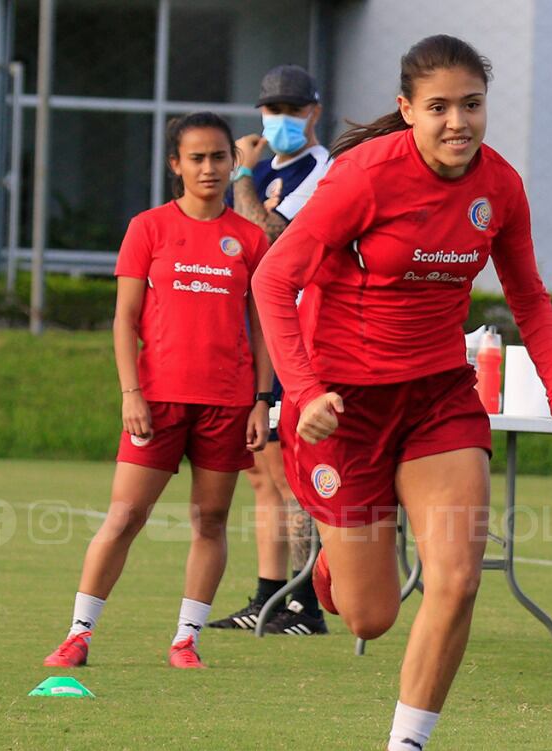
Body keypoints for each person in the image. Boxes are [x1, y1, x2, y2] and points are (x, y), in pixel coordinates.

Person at [252, 35, 552, 751]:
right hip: (343, 406)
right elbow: (274, 280)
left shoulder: (500, 187)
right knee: (369, 612)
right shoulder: (363, 178)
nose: (457, 122)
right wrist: (302, 392)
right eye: (438, 107)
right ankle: (342, 558)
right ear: (407, 111)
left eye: (471, 105)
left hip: (440, 395)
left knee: (458, 577)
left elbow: (530, 297)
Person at [42, 112, 272, 670]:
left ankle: (185, 639)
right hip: (159, 399)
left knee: (211, 522)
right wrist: (131, 392)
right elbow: (124, 320)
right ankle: (78, 635)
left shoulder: (250, 238)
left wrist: (263, 400)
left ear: (233, 162)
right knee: (124, 518)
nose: (209, 167)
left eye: (219, 156)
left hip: (228, 403)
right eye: (196, 158)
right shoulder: (148, 228)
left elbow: (264, 326)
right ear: (176, 165)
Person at [210, 64, 333, 637]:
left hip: (301, 332)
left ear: (314, 111)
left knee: (294, 474)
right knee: (263, 476)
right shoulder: (261, 170)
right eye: (271, 109)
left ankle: (308, 601)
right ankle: (268, 596)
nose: (281, 119)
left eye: (292, 109)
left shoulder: (320, 170)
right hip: (255, 331)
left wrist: (239, 174)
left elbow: (268, 235)